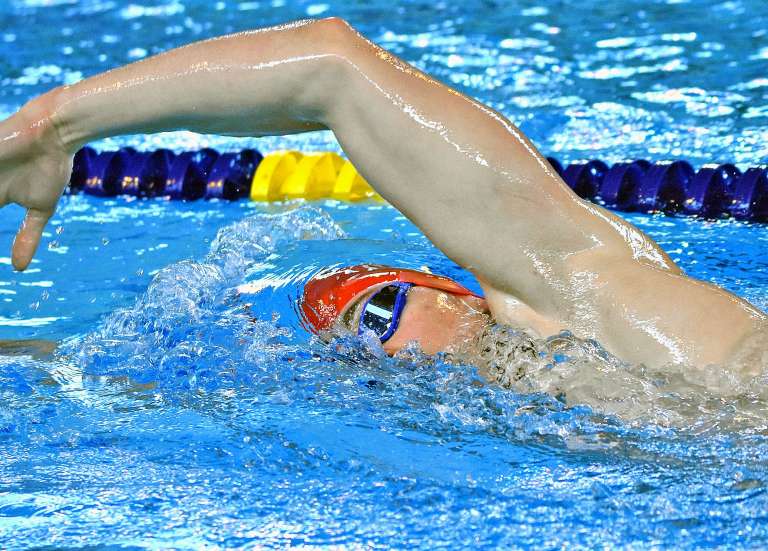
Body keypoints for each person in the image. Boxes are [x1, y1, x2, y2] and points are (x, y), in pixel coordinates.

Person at [0, 17, 764, 370]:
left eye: (379, 312)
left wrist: (57, 123)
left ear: (462, 289)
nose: (378, 355)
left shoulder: (584, 289)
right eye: (352, 352)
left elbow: (331, 64)